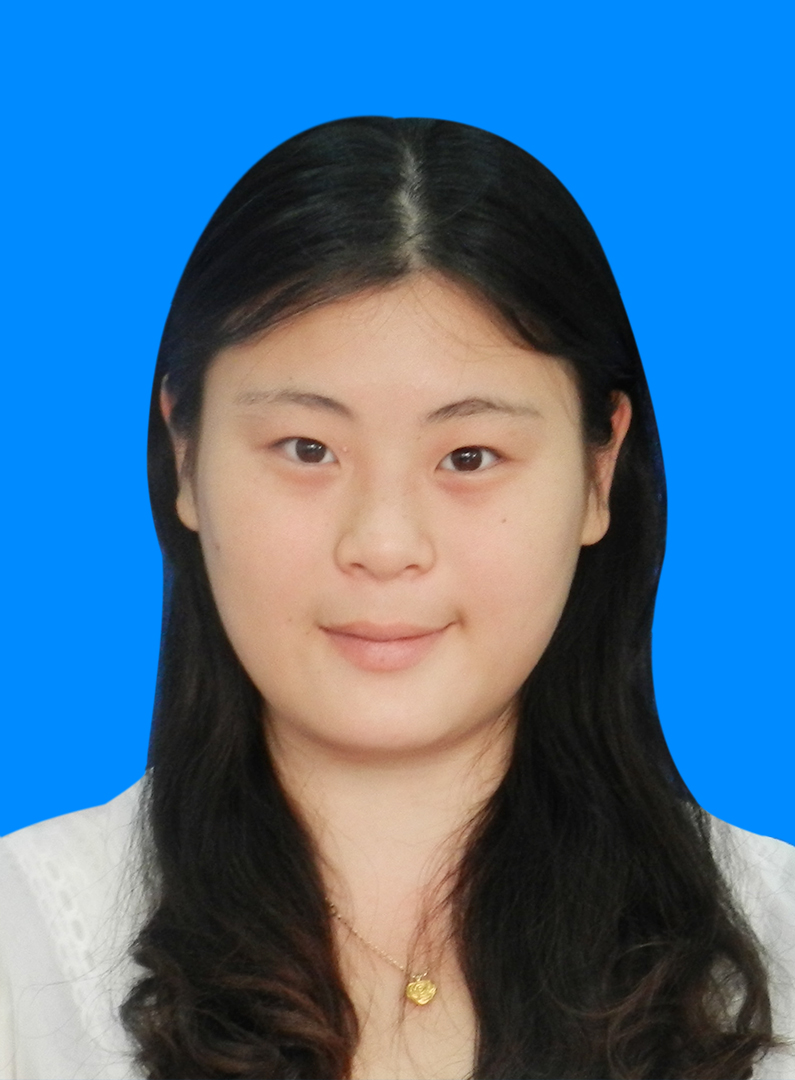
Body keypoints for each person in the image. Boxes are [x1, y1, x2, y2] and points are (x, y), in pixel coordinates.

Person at [1, 116, 794, 1080]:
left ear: (598, 473)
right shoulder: (23, 951)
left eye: (469, 456)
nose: (382, 545)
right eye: (306, 449)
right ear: (185, 453)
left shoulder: (777, 953)